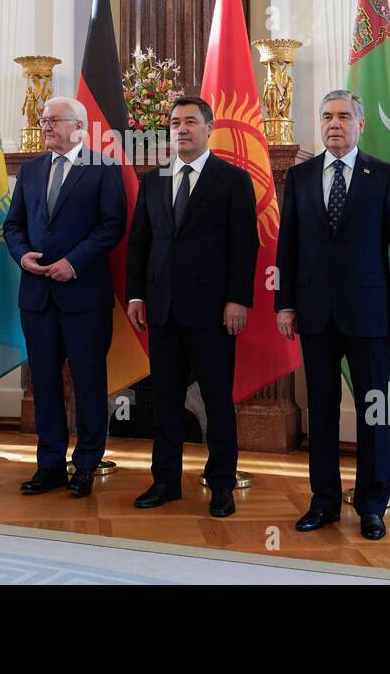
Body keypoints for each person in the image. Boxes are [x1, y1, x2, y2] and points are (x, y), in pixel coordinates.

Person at [275, 89, 390, 541]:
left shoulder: (386, 176)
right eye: (326, 116)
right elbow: (288, 247)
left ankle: (372, 504)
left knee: (372, 412)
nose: (333, 124)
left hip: (371, 314)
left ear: (360, 125)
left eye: (342, 117)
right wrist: (286, 303)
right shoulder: (298, 177)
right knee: (322, 411)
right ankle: (325, 502)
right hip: (314, 314)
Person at [125, 96, 257, 518]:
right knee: (165, 402)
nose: (181, 128)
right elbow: (140, 244)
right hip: (162, 310)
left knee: (218, 400)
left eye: (189, 122)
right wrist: (136, 295)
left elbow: (245, 246)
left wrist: (238, 299)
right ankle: (165, 481)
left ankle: (221, 483)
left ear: (208, 127)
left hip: (214, 311)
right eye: (175, 122)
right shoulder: (153, 180)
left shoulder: (232, 180)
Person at [4, 96, 126, 497]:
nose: (45, 126)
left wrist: (74, 262)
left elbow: (112, 225)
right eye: (43, 121)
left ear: (79, 126)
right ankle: (50, 465)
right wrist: (23, 257)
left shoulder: (104, 167)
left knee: (89, 383)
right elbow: (13, 226)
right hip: (36, 296)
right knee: (43, 383)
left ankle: (86, 465)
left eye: (53, 120)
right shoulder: (32, 170)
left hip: (84, 296)